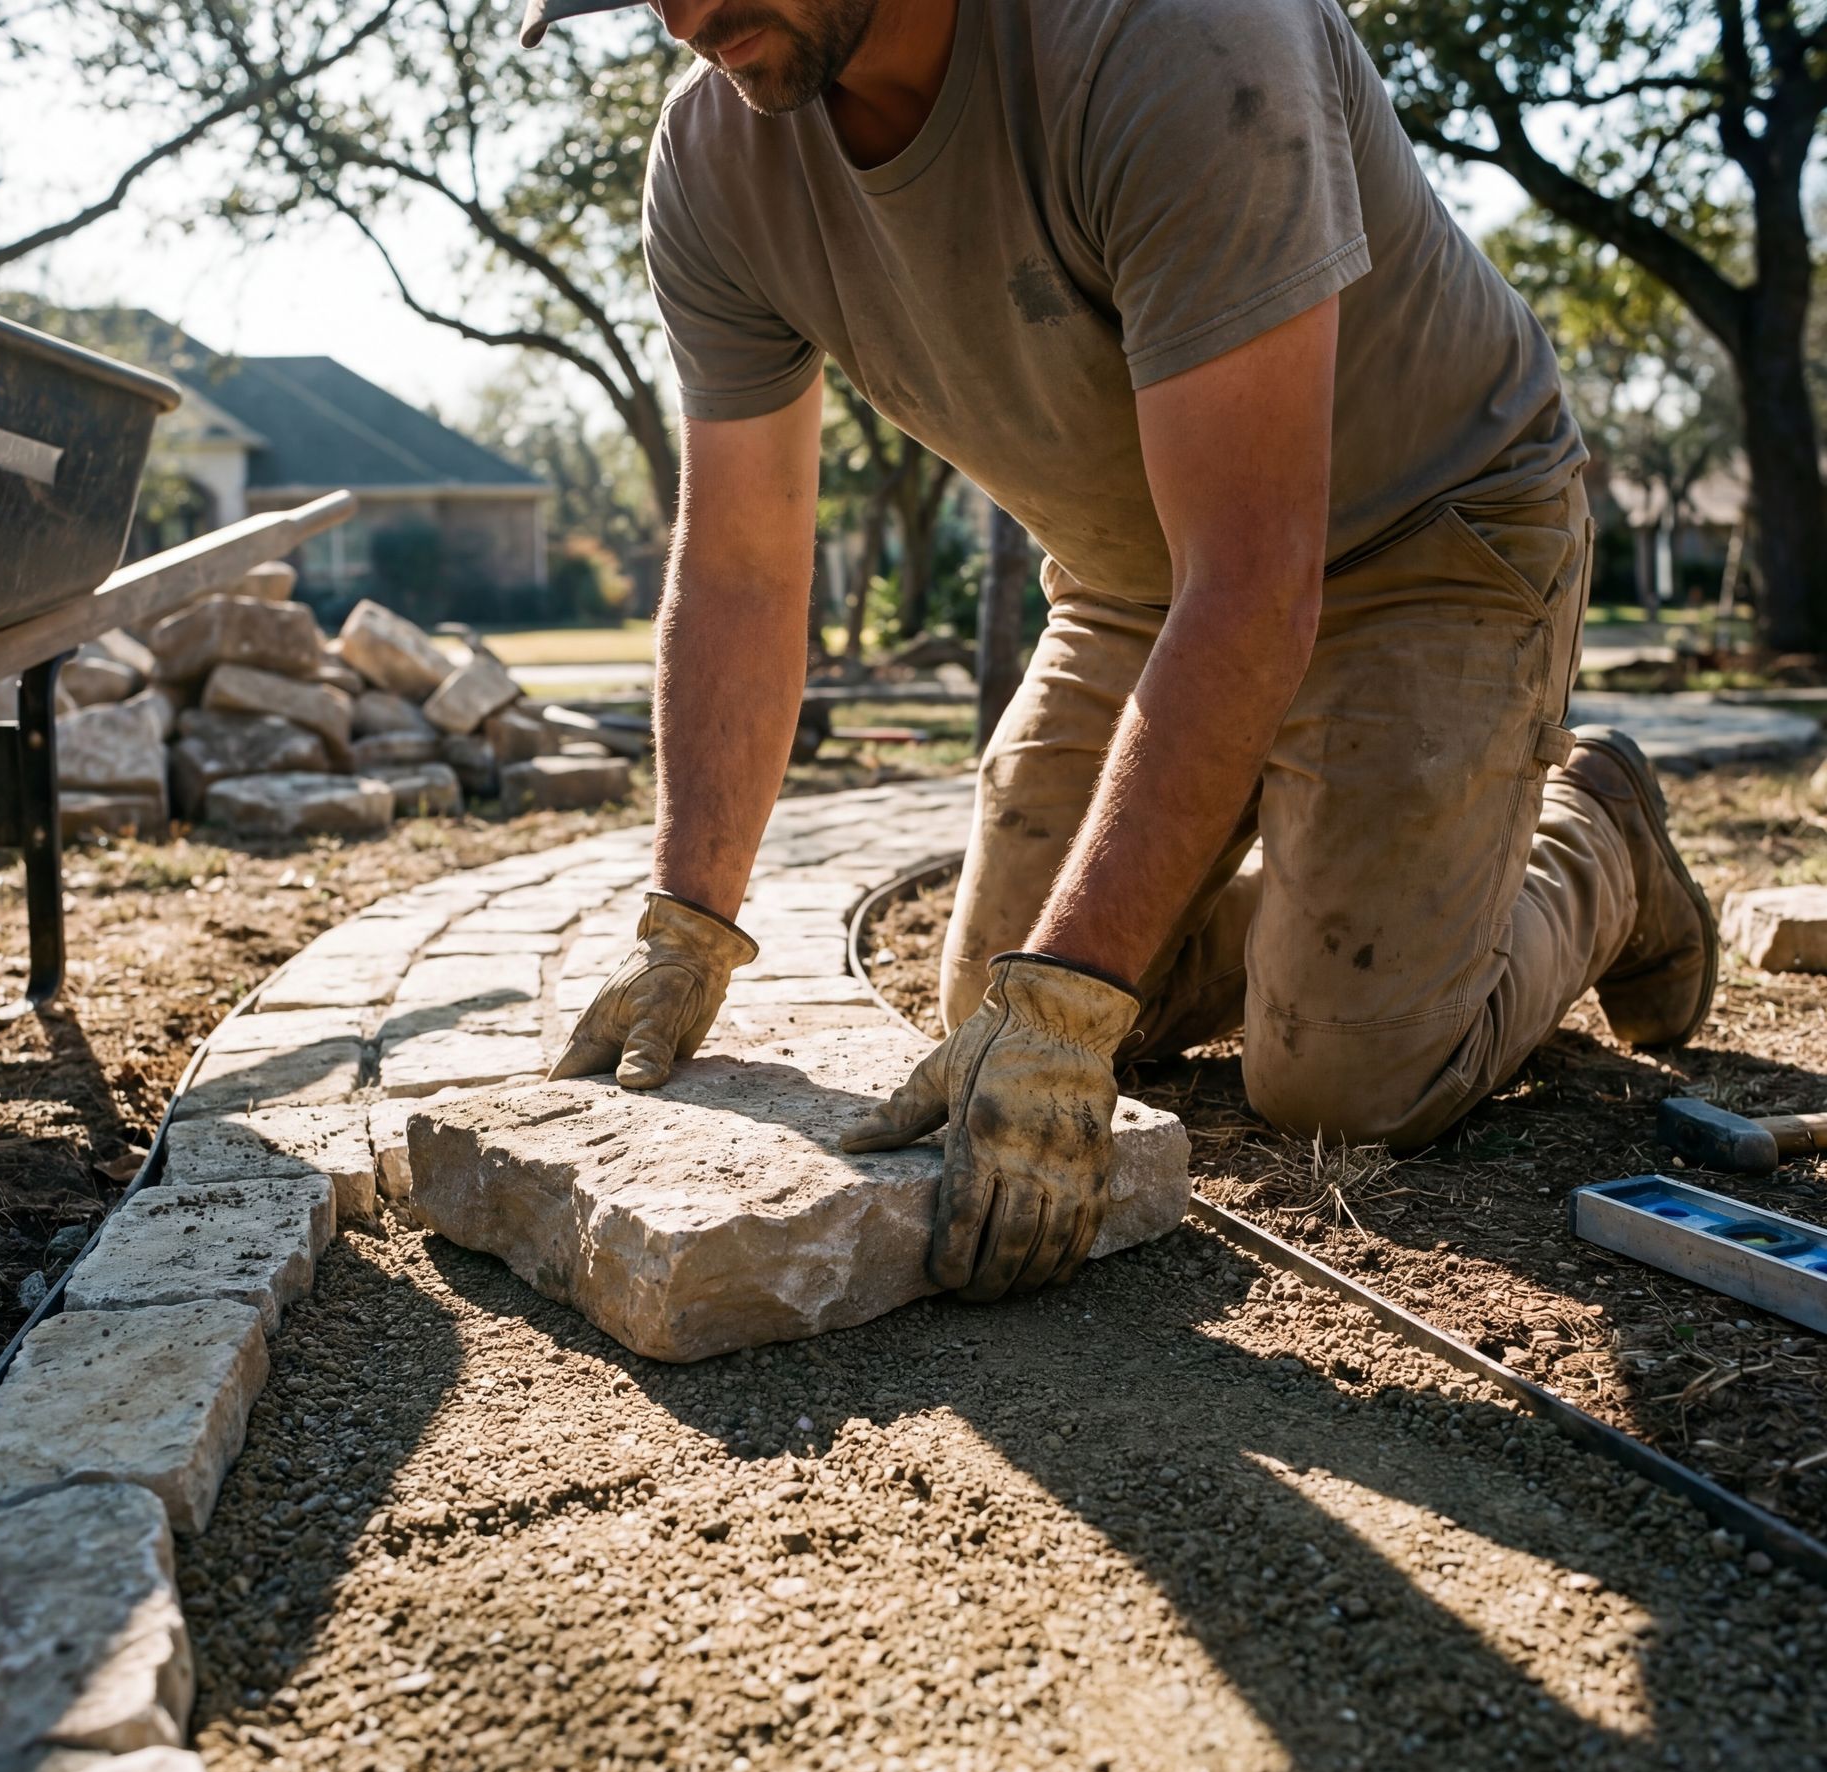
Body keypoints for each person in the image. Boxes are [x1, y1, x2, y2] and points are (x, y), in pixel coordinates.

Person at [530, 0, 1718, 1303]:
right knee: (990, 997)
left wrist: (1075, 1000)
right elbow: (744, 563)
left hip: (1426, 544)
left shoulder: (1173, 35)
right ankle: (1346, 891)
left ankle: (1591, 837)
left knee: (1342, 1079)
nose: (685, 13)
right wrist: (688, 920)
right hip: (1138, 580)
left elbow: (1257, 575)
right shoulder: (713, 162)